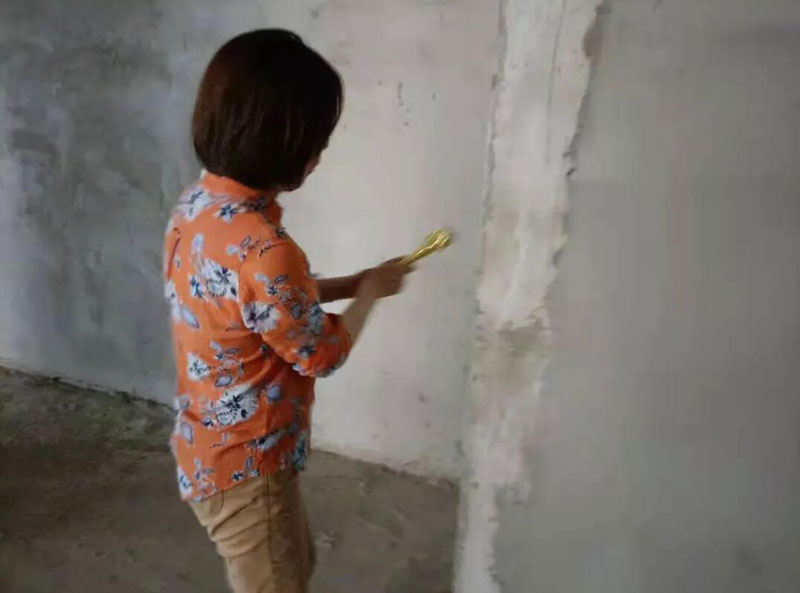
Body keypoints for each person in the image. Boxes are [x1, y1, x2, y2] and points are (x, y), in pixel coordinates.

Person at [162, 29, 411, 593]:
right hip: (250, 466)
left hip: (207, 444)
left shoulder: (198, 207)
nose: (319, 156)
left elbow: (259, 304)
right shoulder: (267, 250)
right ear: (281, 143)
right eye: (316, 141)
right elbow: (321, 354)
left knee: (292, 564)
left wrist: (352, 282)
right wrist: (370, 294)